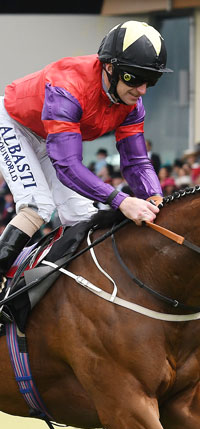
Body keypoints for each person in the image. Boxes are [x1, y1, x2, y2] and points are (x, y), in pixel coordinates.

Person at [0, 21, 167, 278]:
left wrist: (155, 198)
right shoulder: (68, 88)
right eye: (134, 78)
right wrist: (121, 201)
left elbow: (136, 162)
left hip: (49, 137)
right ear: (110, 67)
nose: (142, 90)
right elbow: (67, 166)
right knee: (38, 206)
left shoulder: (132, 104)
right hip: (13, 124)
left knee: (82, 216)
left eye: (151, 81)